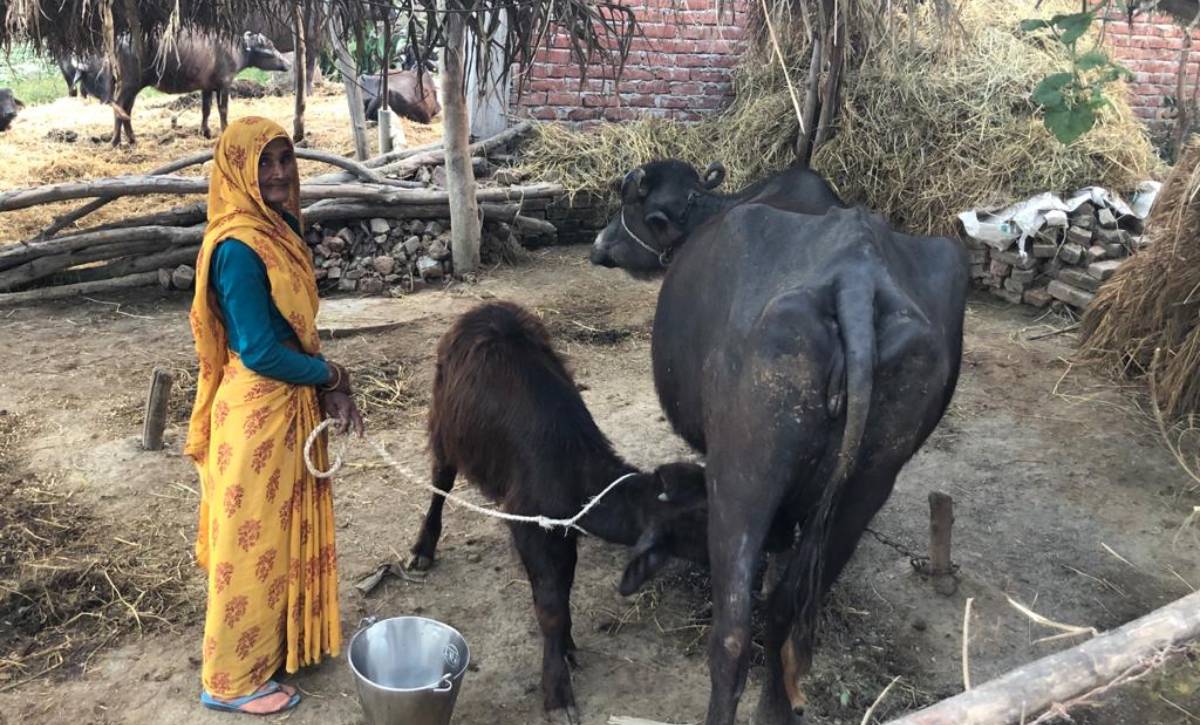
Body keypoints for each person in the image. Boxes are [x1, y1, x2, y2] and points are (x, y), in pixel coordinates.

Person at [185, 116, 364, 715]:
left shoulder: (279, 227)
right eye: (264, 162)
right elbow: (260, 349)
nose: (280, 173)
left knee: (278, 537)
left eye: (285, 159)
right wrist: (332, 375)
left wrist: (322, 383)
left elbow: (287, 333)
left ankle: (276, 645)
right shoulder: (238, 246)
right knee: (250, 543)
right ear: (237, 170)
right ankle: (229, 682)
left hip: (286, 404)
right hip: (258, 410)